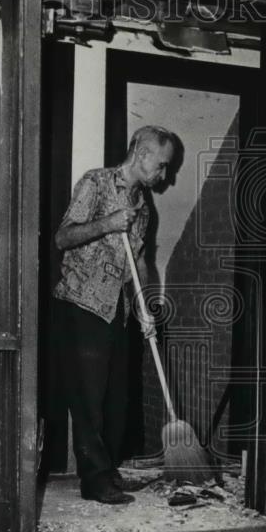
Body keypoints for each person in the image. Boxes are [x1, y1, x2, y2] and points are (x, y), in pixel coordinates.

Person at [54, 125, 177, 504]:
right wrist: (108, 222)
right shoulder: (96, 182)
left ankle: (109, 471)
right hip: (83, 305)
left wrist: (146, 305)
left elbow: (138, 259)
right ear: (140, 154)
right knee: (89, 400)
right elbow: (63, 237)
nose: (164, 175)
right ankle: (94, 482)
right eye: (161, 165)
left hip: (118, 308)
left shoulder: (144, 206)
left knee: (117, 399)